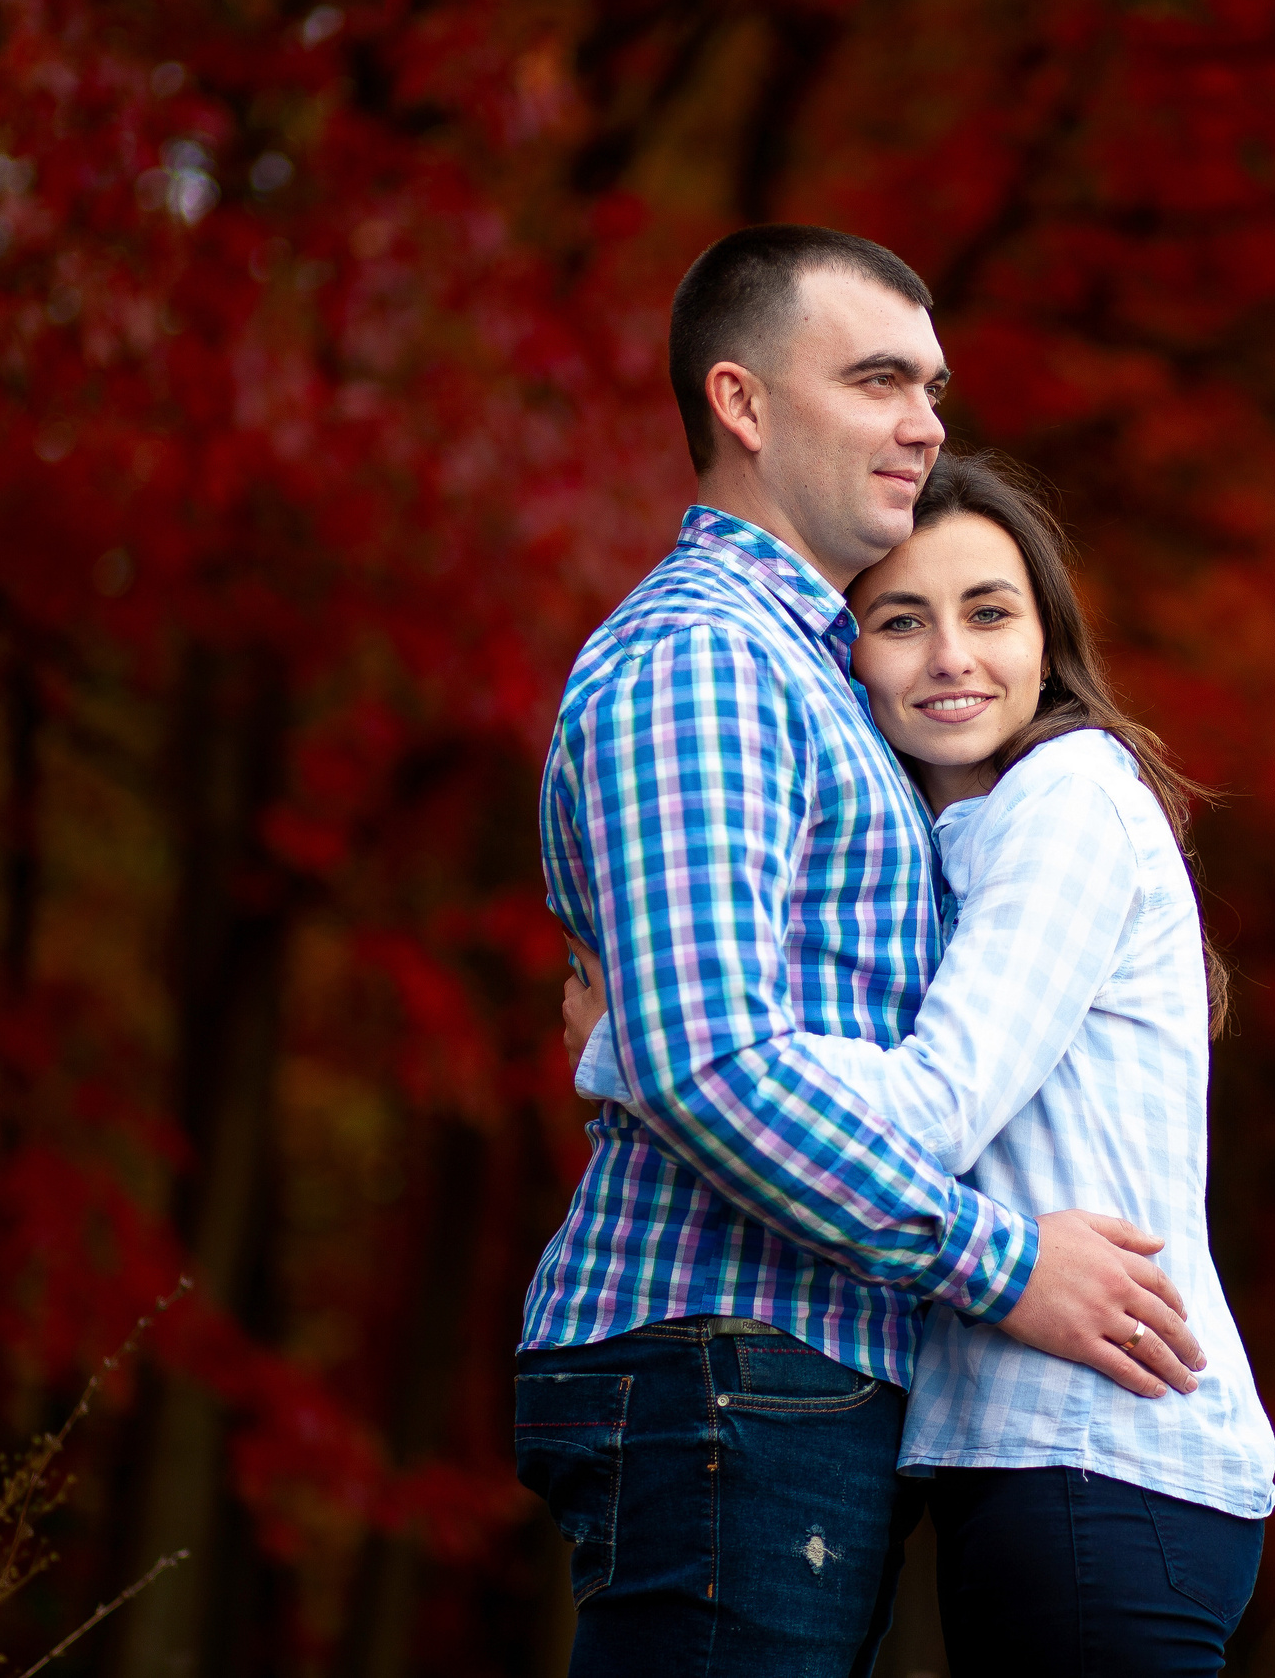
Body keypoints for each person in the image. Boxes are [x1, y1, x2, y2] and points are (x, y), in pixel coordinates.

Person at [515, 225, 1209, 1678]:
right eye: (880, 379)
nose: (926, 423)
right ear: (743, 405)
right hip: (724, 1347)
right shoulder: (706, 658)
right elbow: (714, 1062)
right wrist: (1003, 1262)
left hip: (797, 1366)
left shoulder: (827, 681)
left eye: (935, 387)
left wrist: (620, 1034)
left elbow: (701, 1031)